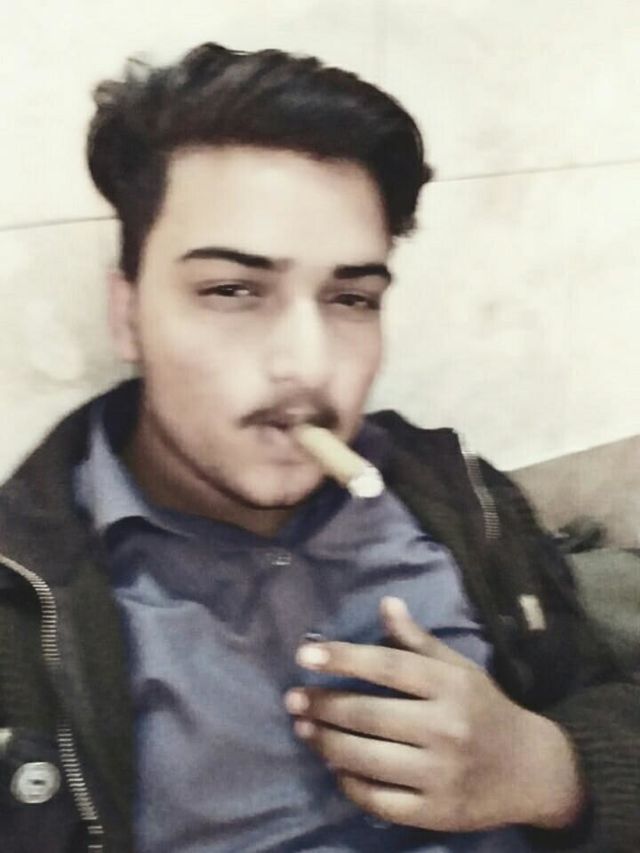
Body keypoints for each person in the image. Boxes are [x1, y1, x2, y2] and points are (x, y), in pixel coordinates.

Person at [0, 42, 637, 853]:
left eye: (351, 297)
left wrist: (556, 768)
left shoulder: (455, 495)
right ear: (128, 314)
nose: (307, 364)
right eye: (233, 290)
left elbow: (604, 690)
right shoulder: (23, 603)